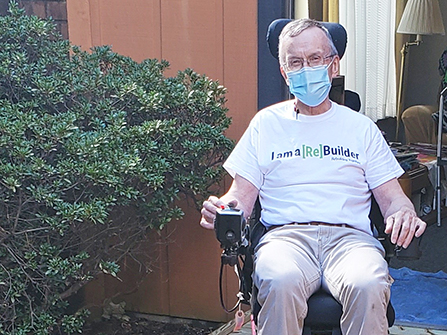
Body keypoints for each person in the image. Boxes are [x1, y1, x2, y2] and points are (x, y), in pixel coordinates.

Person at [200, 18, 426, 335]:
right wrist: (223, 209)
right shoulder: (266, 125)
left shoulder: (361, 129)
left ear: (333, 66)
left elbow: (393, 199)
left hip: (351, 240)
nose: (306, 69)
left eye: (315, 59)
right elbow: (240, 197)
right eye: (295, 62)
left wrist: (404, 213)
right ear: (284, 72)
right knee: (279, 281)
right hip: (285, 239)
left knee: (367, 283)